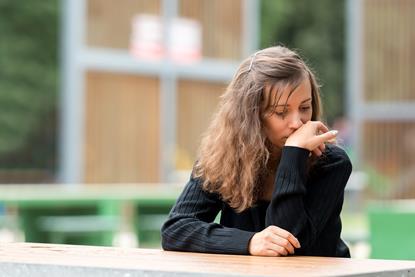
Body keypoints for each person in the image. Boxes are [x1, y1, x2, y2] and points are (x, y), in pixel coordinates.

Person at [161, 45, 352, 257]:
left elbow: (290, 245)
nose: (298, 122)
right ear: (252, 117)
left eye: (305, 107)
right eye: (281, 112)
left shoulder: (331, 163)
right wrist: (249, 242)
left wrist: (293, 154)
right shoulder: (222, 158)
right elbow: (175, 230)